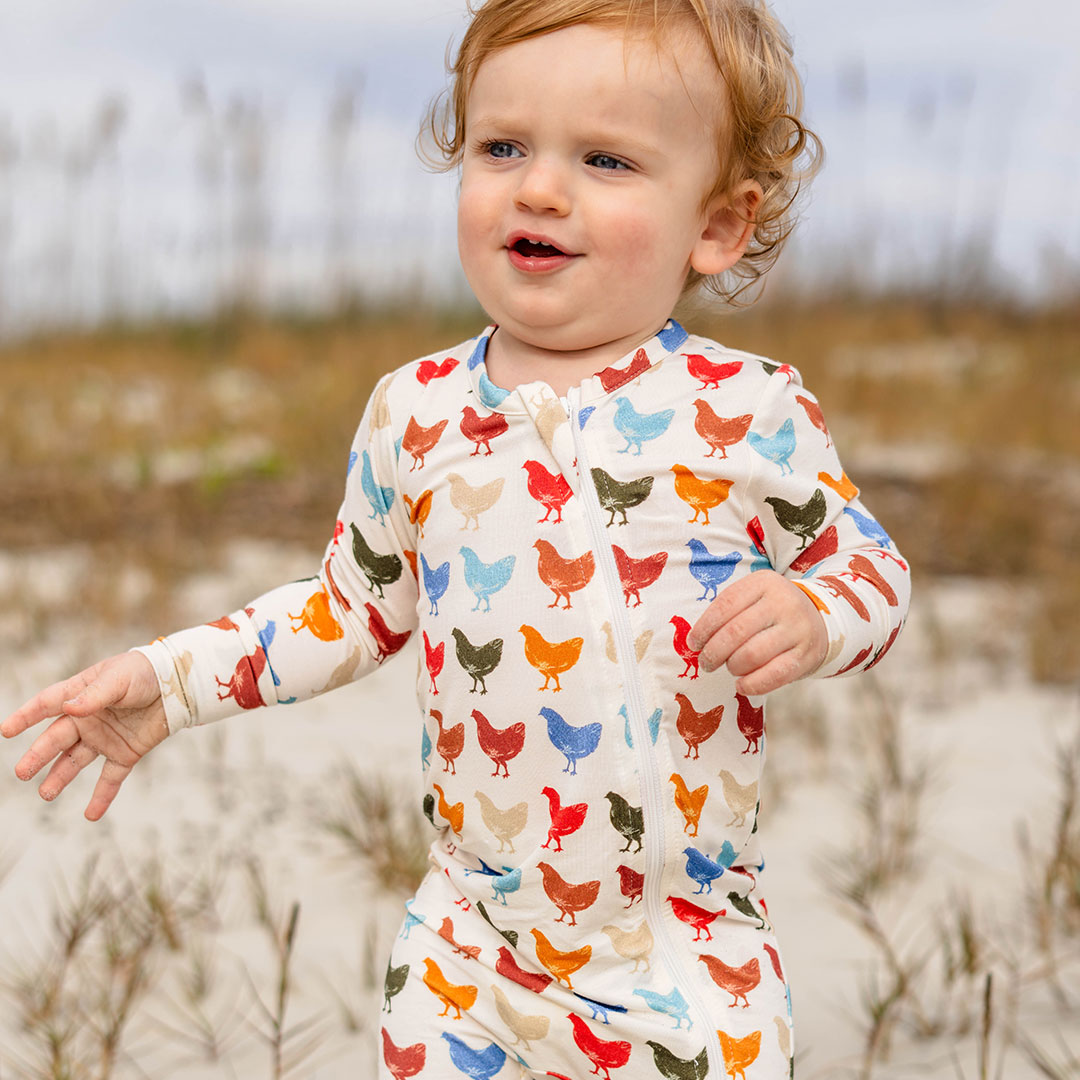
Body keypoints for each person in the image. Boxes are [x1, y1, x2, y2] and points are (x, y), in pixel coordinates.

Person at [2, 0, 911, 1075]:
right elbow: (346, 611)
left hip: (685, 956)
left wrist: (816, 609)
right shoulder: (416, 412)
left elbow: (872, 569)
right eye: (503, 147)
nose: (538, 189)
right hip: (468, 955)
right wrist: (173, 681)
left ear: (716, 225)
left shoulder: (748, 407)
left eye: (606, 160)